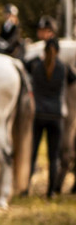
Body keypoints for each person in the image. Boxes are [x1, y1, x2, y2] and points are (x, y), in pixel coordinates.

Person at [25, 35, 75, 197]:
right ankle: (51, 191)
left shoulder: (36, 66)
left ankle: (25, 188)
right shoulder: (64, 68)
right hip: (56, 115)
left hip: (38, 114)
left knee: (32, 154)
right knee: (53, 157)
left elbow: (24, 64)